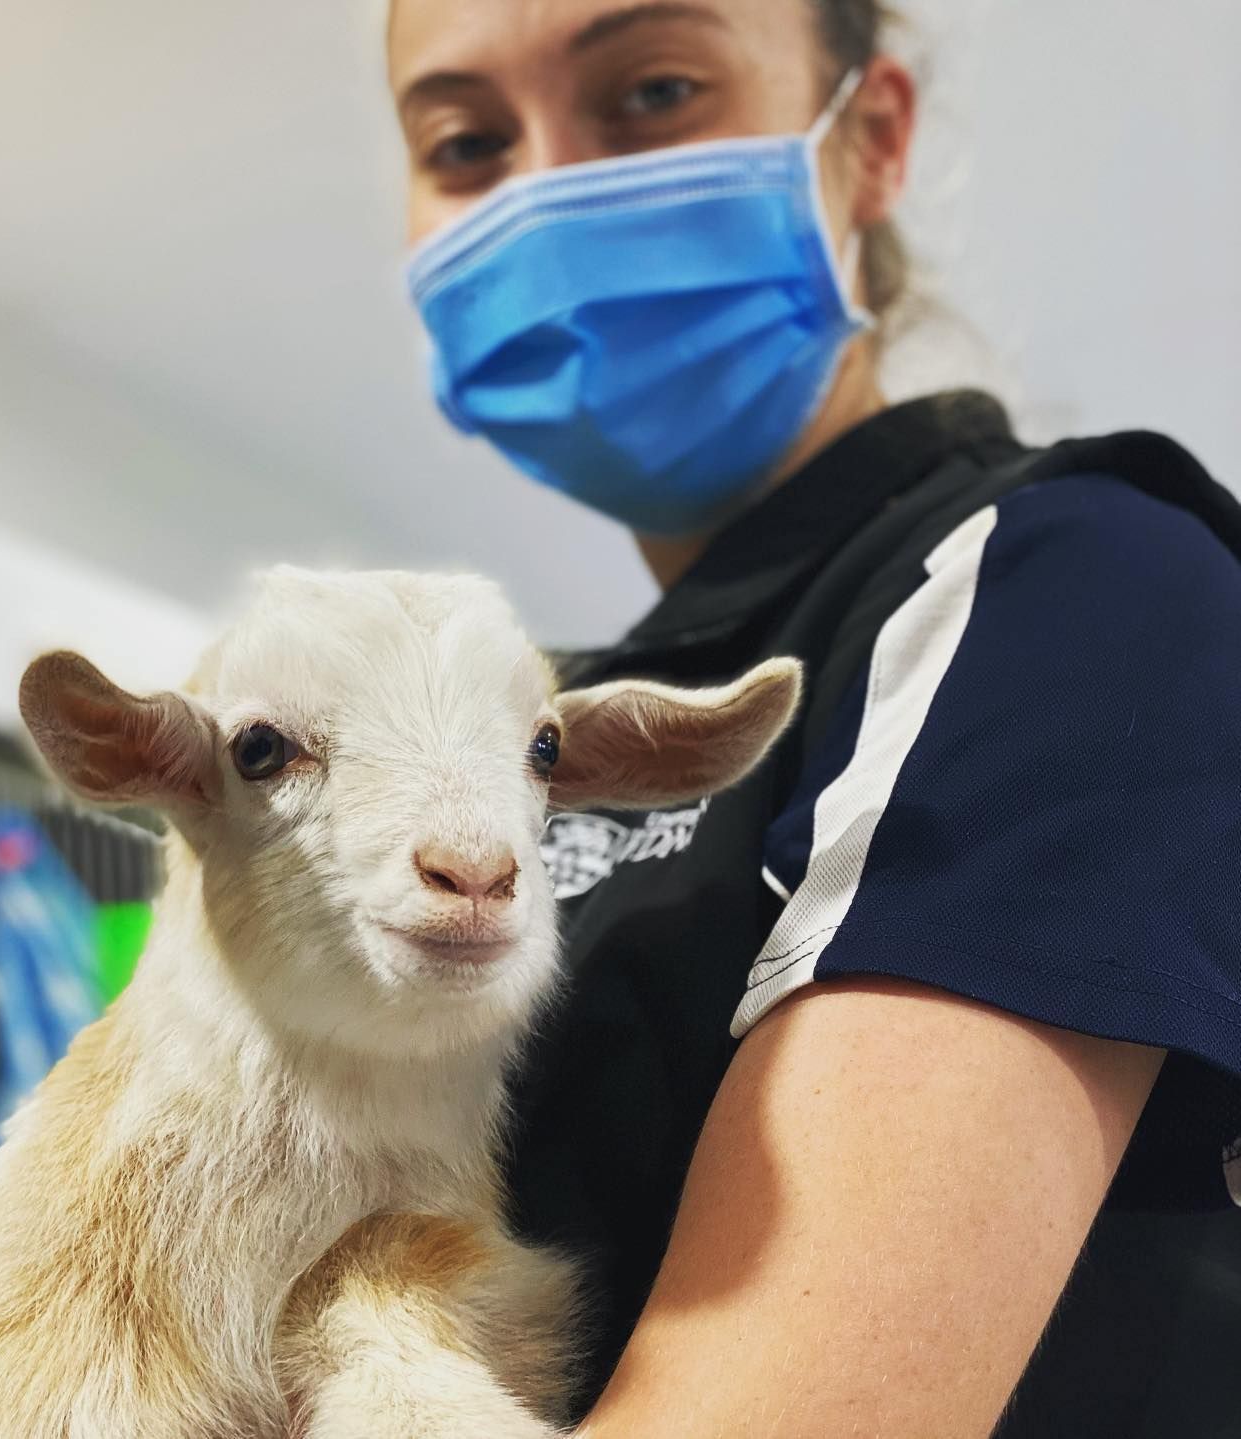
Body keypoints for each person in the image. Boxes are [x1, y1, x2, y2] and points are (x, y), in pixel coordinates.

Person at [388, 3, 1241, 1435]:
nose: (545, 192)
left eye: (653, 90)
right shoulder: (547, 717)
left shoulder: (1068, 592)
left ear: (871, 138)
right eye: (466, 142)